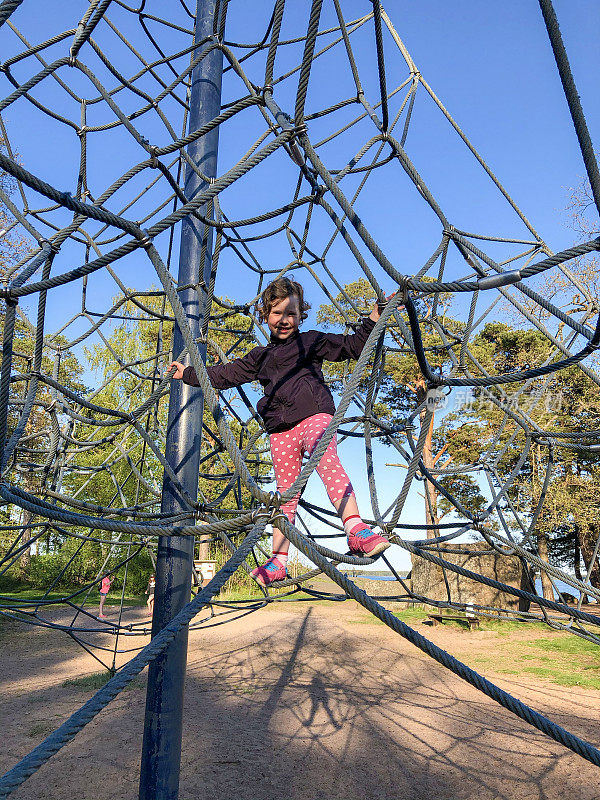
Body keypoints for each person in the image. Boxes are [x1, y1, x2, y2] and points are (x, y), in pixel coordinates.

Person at [168, 277, 390, 587]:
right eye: (276, 313)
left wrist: (375, 317)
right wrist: (188, 374)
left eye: (291, 313)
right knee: (285, 497)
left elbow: (351, 346)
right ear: (264, 314)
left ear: (301, 316)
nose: (284, 320)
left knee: (327, 462)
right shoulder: (260, 357)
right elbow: (225, 374)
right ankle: (279, 561)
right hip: (280, 431)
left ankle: (356, 529)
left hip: (314, 415)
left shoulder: (310, 341)